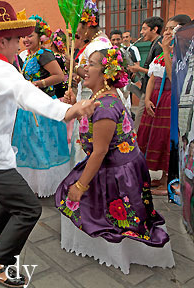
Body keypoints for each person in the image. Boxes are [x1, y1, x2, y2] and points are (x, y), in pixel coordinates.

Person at [0, 2, 98, 286]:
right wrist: (67, 112)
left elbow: (16, 98)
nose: (21, 43)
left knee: (12, 194)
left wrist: (57, 104)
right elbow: (22, 91)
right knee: (29, 209)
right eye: (16, 39)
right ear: (2, 40)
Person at [56, 47, 174, 274]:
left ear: (106, 71)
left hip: (116, 170)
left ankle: (121, 253)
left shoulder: (105, 106)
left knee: (102, 210)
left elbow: (100, 152)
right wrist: (73, 106)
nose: (84, 68)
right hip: (115, 164)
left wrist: (81, 186)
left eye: (91, 64)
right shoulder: (100, 96)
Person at [11, 14, 68, 198]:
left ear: (40, 37)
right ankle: (34, 184)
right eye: (24, 37)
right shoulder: (25, 56)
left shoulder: (44, 54)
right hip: (28, 108)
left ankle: (48, 184)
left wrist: (38, 84)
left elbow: (59, 76)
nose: (26, 40)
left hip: (43, 108)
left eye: (30, 36)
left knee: (44, 145)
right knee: (30, 146)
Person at [137, 14, 192, 193]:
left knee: (167, 140)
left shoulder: (183, 52)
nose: (167, 32)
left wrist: (168, 51)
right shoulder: (163, 52)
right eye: (166, 28)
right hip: (156, 100)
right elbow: (153, 76)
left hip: (170, 100)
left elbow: (172, 76)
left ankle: (169, 180)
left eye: (171, 28)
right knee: (154, 139)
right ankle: (161, 177)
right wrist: (146, 99)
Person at [68, 0, 111, 166]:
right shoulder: (95, 43)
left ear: (87, 24)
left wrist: (73, 67)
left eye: (77, 25)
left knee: (91, 142)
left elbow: (93, 73)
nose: (76, 30)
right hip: (89, 96)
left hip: (94, 98)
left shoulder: (98, 45)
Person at [128, 16, 164, 131]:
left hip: (151, 91)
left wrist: (138, 69)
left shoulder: (159, 46)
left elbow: (158, 73)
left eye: (144, 29)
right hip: (147, 88)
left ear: (154, 29)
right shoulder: (155, 44)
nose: (141, 32)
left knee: (138, 124)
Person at [49, 29, 69, 99]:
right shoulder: (66, 58)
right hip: (66, 94)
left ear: (51, 43)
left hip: (55, 94)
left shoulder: (51, 58)